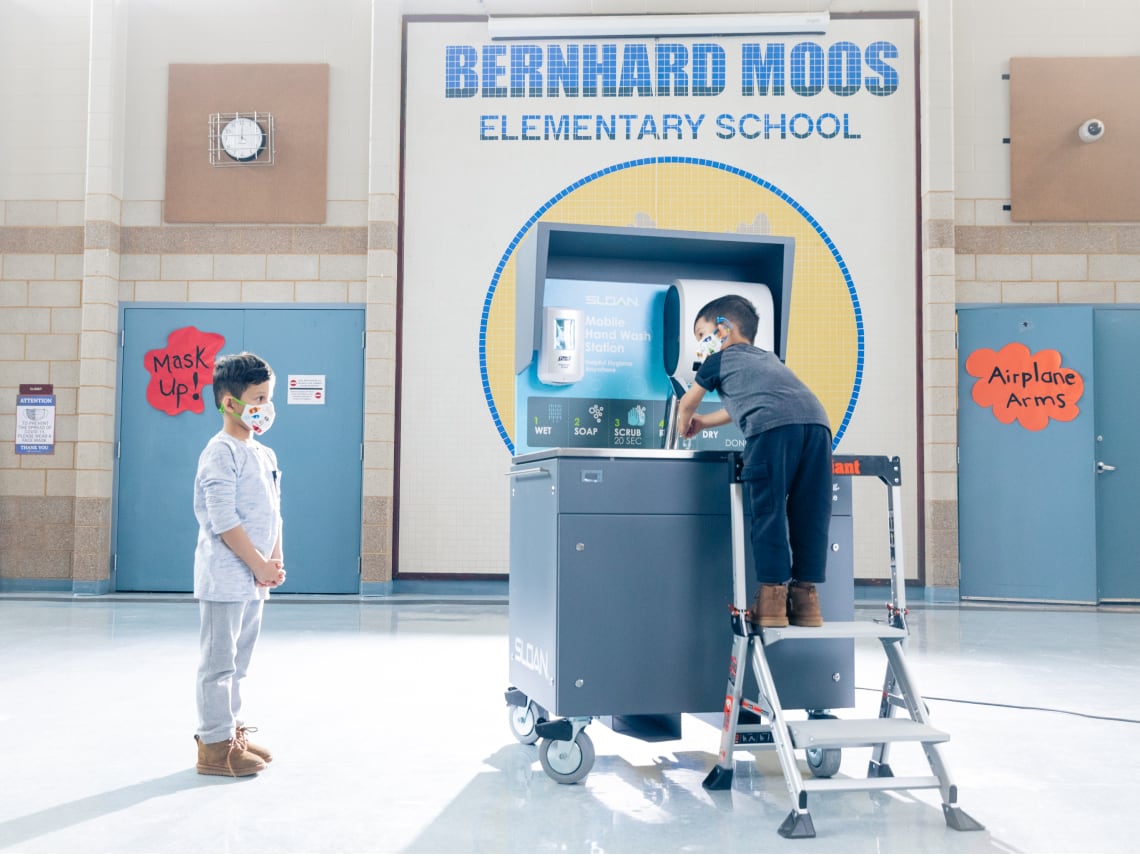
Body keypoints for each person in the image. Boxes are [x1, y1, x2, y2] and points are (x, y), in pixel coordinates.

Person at [675, 295, 832, 628]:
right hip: (818, 426)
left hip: (771, 433)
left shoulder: (718, 361)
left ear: (723, 330)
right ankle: (806, 601)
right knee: (810, 512)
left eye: (701, 336)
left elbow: (688, 401)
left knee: (769, 511)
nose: (700, 347)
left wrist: (683, 424)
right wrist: (705, 423)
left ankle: (773, 601)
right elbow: (742, 407)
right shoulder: (768, 359)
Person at [192, 352, 286, 776]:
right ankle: (213, 746)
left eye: (269, 397)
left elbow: (274, 511)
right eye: (258, 398)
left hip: (255, 579)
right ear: (229, 402)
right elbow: (224, 520)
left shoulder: (263, 454)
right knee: (219, 664)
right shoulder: (220, 452)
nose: (265, 407)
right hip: (226, 578)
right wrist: (256, 564)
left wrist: (273, 561)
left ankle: (231, 731)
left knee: (240, 663)